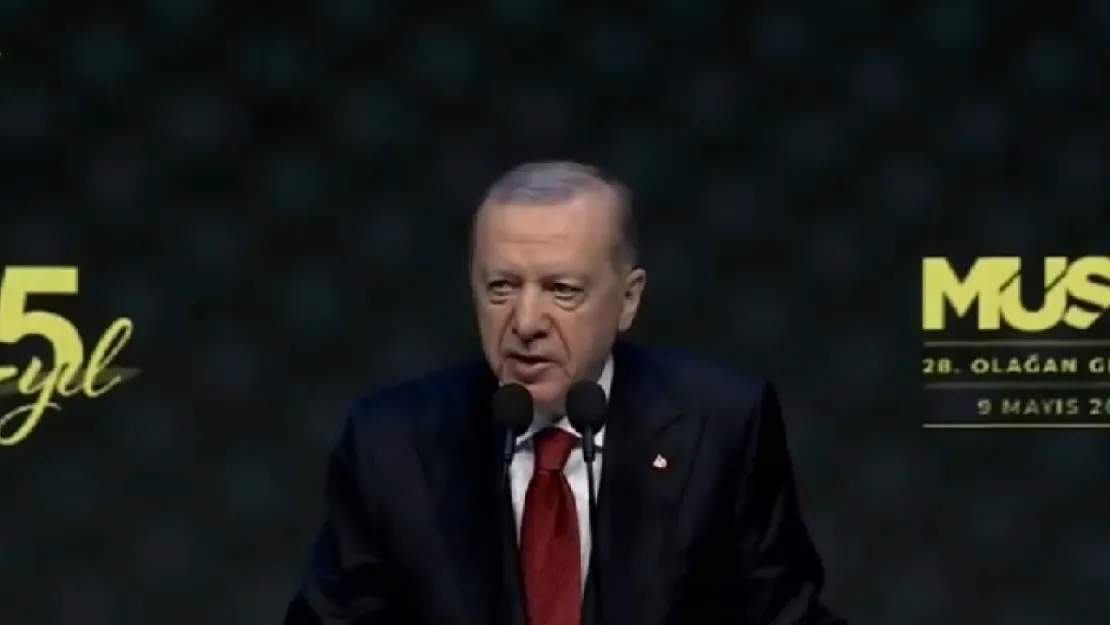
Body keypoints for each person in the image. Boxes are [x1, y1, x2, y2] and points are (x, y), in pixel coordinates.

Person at [283, 161, 849, 625]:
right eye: (501, 287)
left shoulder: (720, 427)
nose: (526, 321)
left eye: (561, 289)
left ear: (628, 299)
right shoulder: (392, 445)